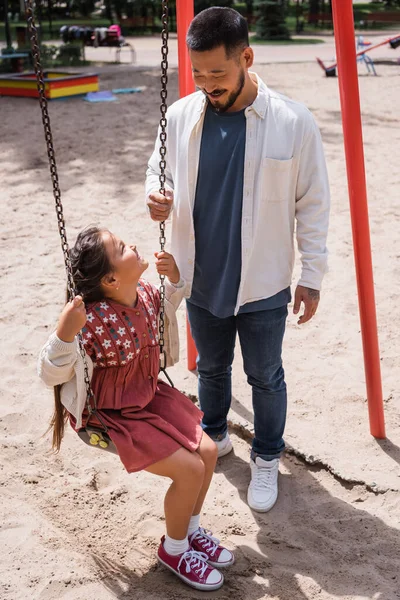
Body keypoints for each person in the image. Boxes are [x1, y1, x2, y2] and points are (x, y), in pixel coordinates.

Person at [146, 7, 330, 513]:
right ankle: (214, 432)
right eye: (198, 73)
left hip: (265, 281)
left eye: (218, 74)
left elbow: (313, 203)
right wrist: (157, 197)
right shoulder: (182, 114)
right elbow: (157, 170)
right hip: (202, 276)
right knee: (210, 369)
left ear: (246, 58)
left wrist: (311, 275)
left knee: (266, 375)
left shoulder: (292, 122)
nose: (207, 84)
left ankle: (267, 456)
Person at [38, 226, 234, 591]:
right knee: (189, 470)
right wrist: (65, 334)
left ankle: (189, 532)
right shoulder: (90, 321)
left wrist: (174, 279)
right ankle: (174, 551)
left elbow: (168, 306)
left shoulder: (144, 293)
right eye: (120, 246)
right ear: (111, 278)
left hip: (148, 394)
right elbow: (50, 373)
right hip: (112, 416)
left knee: (207, 451)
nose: (131, 243)